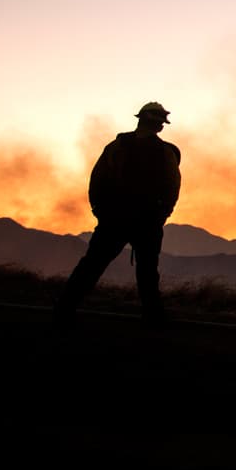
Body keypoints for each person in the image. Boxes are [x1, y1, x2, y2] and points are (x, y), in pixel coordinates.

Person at [53, 102, 181, 329]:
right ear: (159, 125)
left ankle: (64, 309)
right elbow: (172, 187)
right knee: (147, 271)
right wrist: (161, 215)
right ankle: (153, 319)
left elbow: (97, 180)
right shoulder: (166, 152)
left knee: (91, 265)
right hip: (147, 221)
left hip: (114, 219)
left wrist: (100, 211)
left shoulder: (117, 146)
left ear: (140, 119)